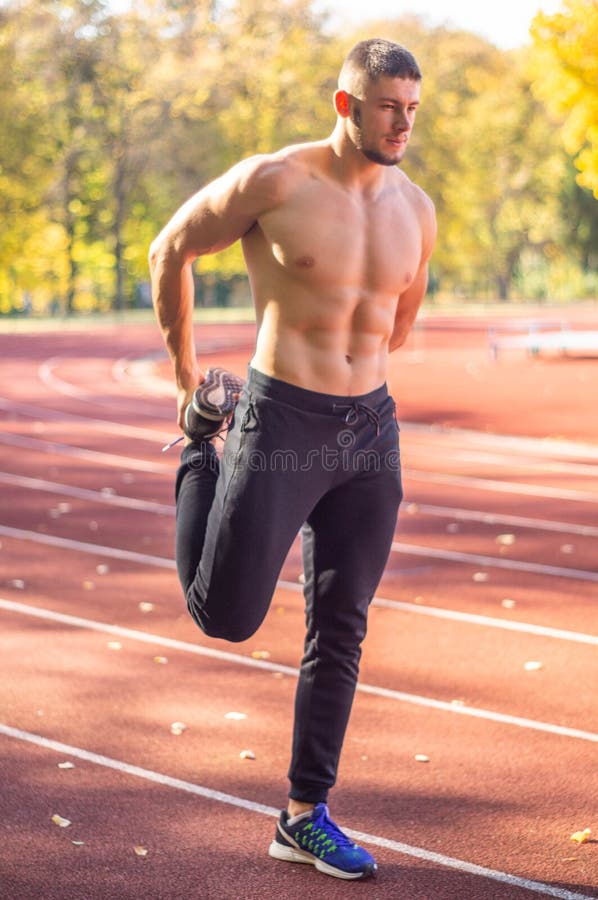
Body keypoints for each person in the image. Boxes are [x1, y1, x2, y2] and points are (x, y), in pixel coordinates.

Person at [149, 37, 436, 881]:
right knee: (227, 616)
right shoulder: (274, 180)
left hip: (368, 433)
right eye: (389, 107)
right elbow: (172, 250)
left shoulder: (417, 209)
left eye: (413, 110)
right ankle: (199, 455)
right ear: (347, 104)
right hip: (281, 423)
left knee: (341, 629)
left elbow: (400, 321)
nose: (403, 123)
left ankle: (303, 813)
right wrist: (187, 379)